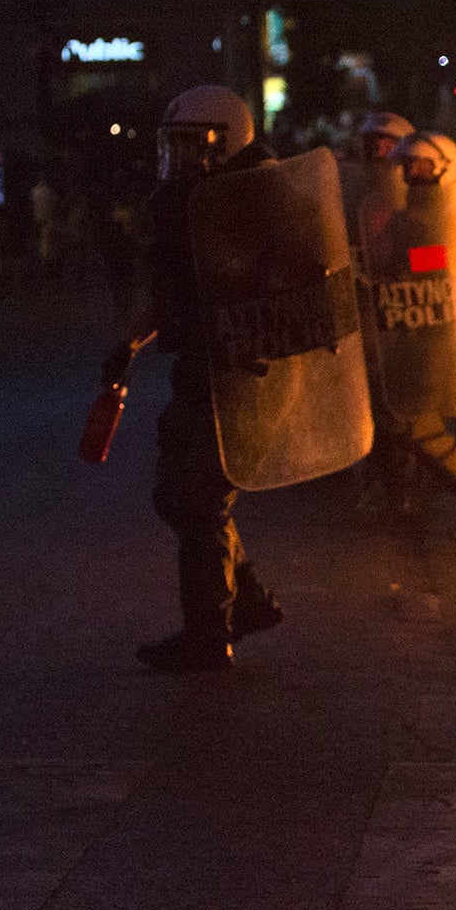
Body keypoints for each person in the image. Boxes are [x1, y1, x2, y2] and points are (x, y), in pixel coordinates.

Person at [106, 85, 284, 672]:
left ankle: (209, 635)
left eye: (192, 143)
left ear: (224, 141)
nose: (180, 156)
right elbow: (171, 291)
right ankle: (248, 600)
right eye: (174, 145)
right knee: (174, 495)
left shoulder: (258, 198)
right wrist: (128, 344)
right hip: (200, 365)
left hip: (242, 367)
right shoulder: (184, 201)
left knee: (200, 498)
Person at [374, 131, 456, 539]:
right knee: (403, 419)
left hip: (434, 333)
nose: (411, 171)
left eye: (421, 164)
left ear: (444, 168)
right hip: (410, 330)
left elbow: (441, 260)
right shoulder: (408, 211)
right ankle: (425, 491)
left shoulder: (446, 214)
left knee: (410, 419)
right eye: (407, 164)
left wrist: (400, 263)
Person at [343, 111, 422, 522]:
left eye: (387, 143)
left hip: (406, 314)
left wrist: (411, 267)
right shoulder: (349, 191)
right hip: (361, 311)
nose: (377, 150)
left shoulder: (419, 195)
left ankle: (408, 486)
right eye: (371, 141)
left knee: (405, 409)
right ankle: (382, 479)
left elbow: (439, 251)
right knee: (369, 402)